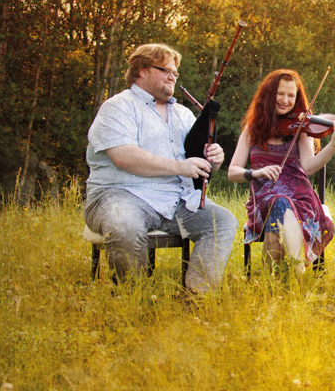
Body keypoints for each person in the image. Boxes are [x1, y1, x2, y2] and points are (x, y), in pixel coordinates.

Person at [84, 44, 238, 293]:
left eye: (175, 73)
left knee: (221, 221)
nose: (172, 77)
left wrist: (215, 159)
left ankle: (199, 296)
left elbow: (200, 161)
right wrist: (179, 166)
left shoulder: (183, 114)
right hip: (119, 195)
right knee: (124, 224)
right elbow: (124, 156)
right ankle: (132, 298)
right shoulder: (118, 107)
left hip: (175, 200)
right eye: (165, 70)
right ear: (142, 71)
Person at [227, 69, 335, 269]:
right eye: (280, 93)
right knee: (278, 201)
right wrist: (257, 173)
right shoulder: (253, 129)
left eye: (291, 95)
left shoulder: (301, 128)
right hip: (263, 198)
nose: (285, 100)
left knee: (280, 205)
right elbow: (232, 172)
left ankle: (274, 281)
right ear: (269, 95)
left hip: (299, 198)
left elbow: (309, 167)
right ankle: (297, 271)